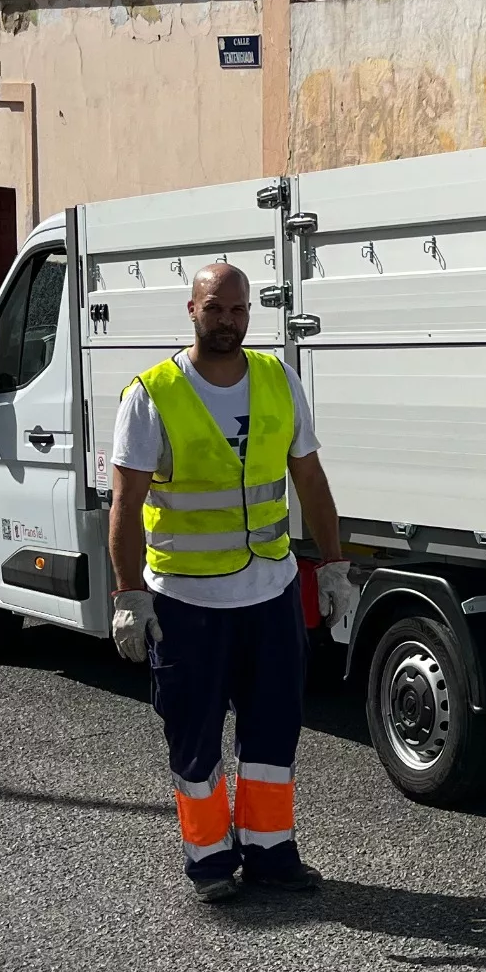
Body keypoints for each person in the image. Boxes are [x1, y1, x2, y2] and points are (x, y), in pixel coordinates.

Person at [107, 261, 352, 902]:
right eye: (214, 308)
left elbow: (312, 483)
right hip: (186, 599)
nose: (228, 321)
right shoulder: (152, 393)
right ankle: (211, 863)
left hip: (268, 593)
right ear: (191, 310)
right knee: (194, 736)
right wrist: (128, 594)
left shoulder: (276, 380)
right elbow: (125, 506)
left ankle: (270, 855)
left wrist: (333, 566)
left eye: (238, 309)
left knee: (274, 729)